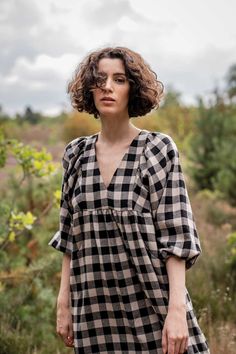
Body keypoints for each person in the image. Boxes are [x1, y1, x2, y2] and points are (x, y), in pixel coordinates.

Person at [48, 46, 210, 354]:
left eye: (119, 79)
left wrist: (177, 311)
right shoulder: (76, 155)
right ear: (89, 87)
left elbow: (177, 238)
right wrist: (63, 302)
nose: (107, 86)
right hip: (93, 311)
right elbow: (70, 237)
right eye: (100, 78)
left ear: (132, 88)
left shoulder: (157, 149)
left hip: (151, 305)